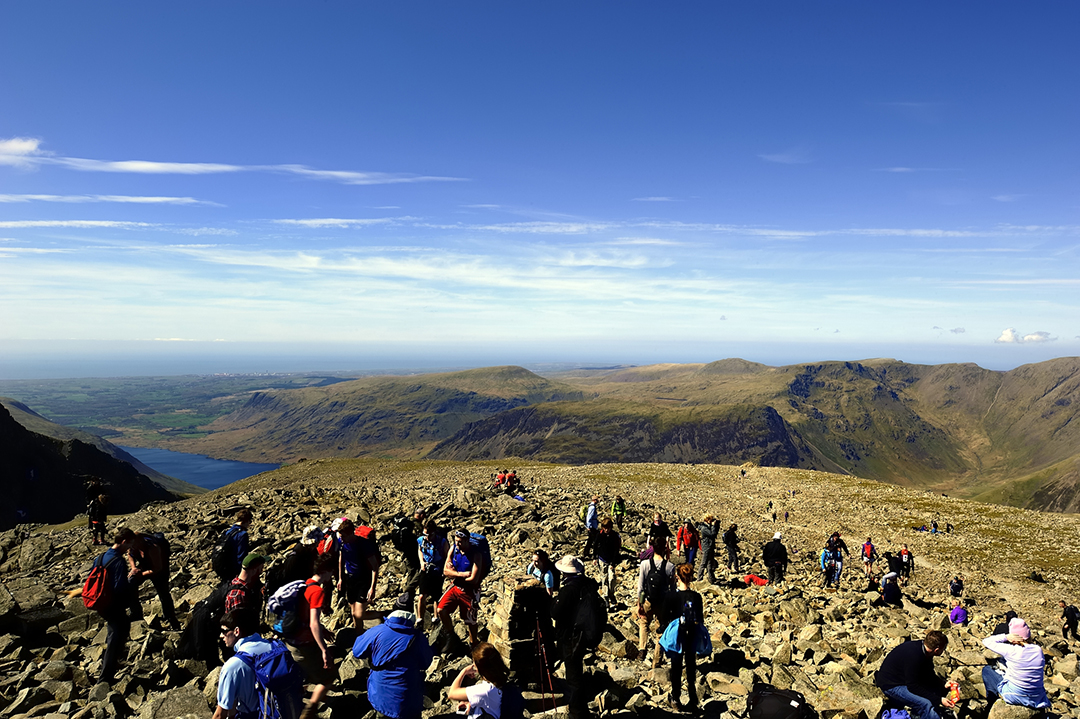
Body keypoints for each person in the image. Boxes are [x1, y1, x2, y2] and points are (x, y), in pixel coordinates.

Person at [214, 608, 302, 719]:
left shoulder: (232, 666)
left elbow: (220, 714)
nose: (221, 636)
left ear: (237, 631)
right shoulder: (275, 646)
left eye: (224, 631)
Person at [352, 608, 434, 719]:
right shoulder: (418, 637)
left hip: (380, 695)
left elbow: (357, 652)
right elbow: (426, 663)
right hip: (409, 697)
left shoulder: (377, 631)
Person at [285, 553, 338, 719]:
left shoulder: (305, 584)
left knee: (301, 675)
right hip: (304, 645)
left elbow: (304, 615)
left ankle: (307, 697)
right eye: (332, 572)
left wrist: (324, 630)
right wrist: (324, 650)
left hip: (290, 641)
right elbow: (313, 623)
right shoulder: (317, 591)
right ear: (327, 571)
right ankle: (310, 709)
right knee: (329, 676)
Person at [552, 555, 599, 719]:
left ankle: (577, 712)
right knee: (576, 670)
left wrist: (554, 601)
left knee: (573, 676)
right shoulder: (587, 585)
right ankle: (581, 709)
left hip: (570, 636)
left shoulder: (568, 589)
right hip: (584, 635)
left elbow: (556, 613)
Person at [874, 630, 955, 719]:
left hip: (903, 679)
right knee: (925, 704)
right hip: (891, 685)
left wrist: (944, 683)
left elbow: (928, 673)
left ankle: (919, 715)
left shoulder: (924, 649)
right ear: (937, 650)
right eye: (943, 649)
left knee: (933, 690)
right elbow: (912, 686)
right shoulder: (914, 657)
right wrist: (939, 700)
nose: (943, 651)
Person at [95, 528, 139, 684]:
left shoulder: (100, 557)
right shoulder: (119, 561)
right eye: (130, 544)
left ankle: (112, 663)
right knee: (116, 635)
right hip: (113, 604)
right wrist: (130, 580)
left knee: (118, 630)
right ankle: (105, 678)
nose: (130, 548)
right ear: (124, 541)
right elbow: (119, 588)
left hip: (99, 602)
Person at [981, 618, 1051, 710]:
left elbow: (986, 641)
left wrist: (1006, 637)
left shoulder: (1011, 650)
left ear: (1014, 637)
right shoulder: (1038, 650)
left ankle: (991, 703)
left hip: (1015, 694)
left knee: (987, 670)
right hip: (1037, 696)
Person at [662, 562, 704, 713]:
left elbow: (665, 617)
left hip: (677, 635)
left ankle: (676, 698)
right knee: (691, 666)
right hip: (692, 634)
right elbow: (701, 618)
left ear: (677, 577)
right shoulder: (697, 597)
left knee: (676, 666)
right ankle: (693, 699)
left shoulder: (671, 596)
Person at [438, 529, 486, 648]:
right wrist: (461, 574)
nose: (457, 544)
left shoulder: (476, 554)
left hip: (470, 591)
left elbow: (474, 579)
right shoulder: (453, 549)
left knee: (470, 620)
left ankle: (473, 643)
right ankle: (451, 636)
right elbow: (445, 571)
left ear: (466, 541)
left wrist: (453, 573)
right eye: (456, 541)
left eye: (460, 542)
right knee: (440, 610)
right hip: (456, 586)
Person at [130, 530, 181, 631]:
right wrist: (133, 568)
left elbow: (157, 568)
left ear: (140, 542)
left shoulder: (153, 548)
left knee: (163, 593)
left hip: (160, 570)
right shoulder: (133, 547)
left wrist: (142, 574)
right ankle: (136, 614)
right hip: (145, 565)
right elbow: (130, 555)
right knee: (130, 583)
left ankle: (172, 620)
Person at [637, 539, 676, 668]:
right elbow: (672, 588)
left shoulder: (645, 564)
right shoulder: (670, 566)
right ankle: (656, 660)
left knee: (643, 622)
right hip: (662, 602)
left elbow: (640, 586)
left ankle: (642, 648)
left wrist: (640, 603)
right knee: (660, 630)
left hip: (648, 599)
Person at [337, 518, 381, 632]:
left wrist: (372, 588)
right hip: (350, 579)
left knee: (359, 614)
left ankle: (382, 615)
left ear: (351, 533)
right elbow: (341, 559)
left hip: (363, 580)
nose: (341, 539)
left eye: (343, 536)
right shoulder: (343, 544)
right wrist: (340, 578)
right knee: (353, 613)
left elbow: (375, 567)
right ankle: (359, 634)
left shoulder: (363, 545)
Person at [447, 642, 512, 719]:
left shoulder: (485, 690)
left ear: (480, 668)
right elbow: (489, 703)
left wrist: (463, 671)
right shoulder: (500, 679)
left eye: (474, 663)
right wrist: (471, 703)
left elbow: (452, 693)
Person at [416, 520, 447, 628]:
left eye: (429, 534)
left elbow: (447, 556)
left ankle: (435, 618)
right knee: (421, 596)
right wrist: (421, 562)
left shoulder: (442, 542)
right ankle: (419, 618)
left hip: (437, 569)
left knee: (436, 596)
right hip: (426, 569)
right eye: (425, 534)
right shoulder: (421, 540)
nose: (427, 537)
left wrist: (445, 569)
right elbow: (420, 550)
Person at [215, 510, 253, 582]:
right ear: (246, 520)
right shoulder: (242, 534)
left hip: (224, 568)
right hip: (234, 570)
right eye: (249, 521)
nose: (249, 524)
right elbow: (241, 555)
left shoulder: (228, 532)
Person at [595, 517, 621, 604]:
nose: (606, 530)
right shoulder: (599, 534)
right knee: (604, 578)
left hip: (611, 561)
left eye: (608, 528)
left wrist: (613, 563)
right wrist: (594, 557)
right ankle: (605, 597)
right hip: (602, 559)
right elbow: (595, 546)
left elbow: (616, 550)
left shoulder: (614, 536)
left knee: (612, 578)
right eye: (604, 528)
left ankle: (611, 594)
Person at [696, 515, 720, 585]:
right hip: (706, 547)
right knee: (703, 563)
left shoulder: (708, 527)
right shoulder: (704, 528)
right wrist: (713, 526)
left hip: (710, 547)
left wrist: (716, 526)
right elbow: (712, 534)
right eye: (711, 520)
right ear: (707, 520)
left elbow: (715, 534)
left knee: (710, 563)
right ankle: (699, 578)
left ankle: (711, 578)